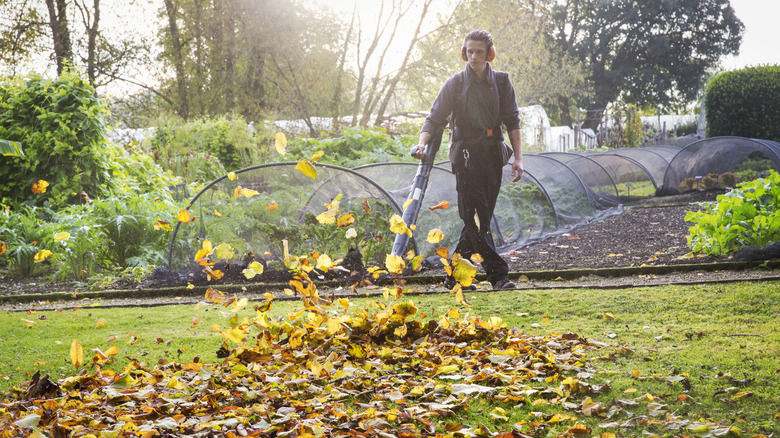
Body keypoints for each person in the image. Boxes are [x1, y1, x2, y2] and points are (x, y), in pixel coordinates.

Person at [414, 30, 523, 291]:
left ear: (489, 54)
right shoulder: (454, 84)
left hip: (493, 154)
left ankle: (453, 278)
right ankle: (498, 276)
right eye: (469, 51)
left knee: (477, 219)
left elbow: (512, 121)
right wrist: (422, 142)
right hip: (465, 155)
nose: (473, 56)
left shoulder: (502, 82)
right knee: (476, 216)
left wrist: (519, 158)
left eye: (479, 52)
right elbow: (434, 118)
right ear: (464, 52)